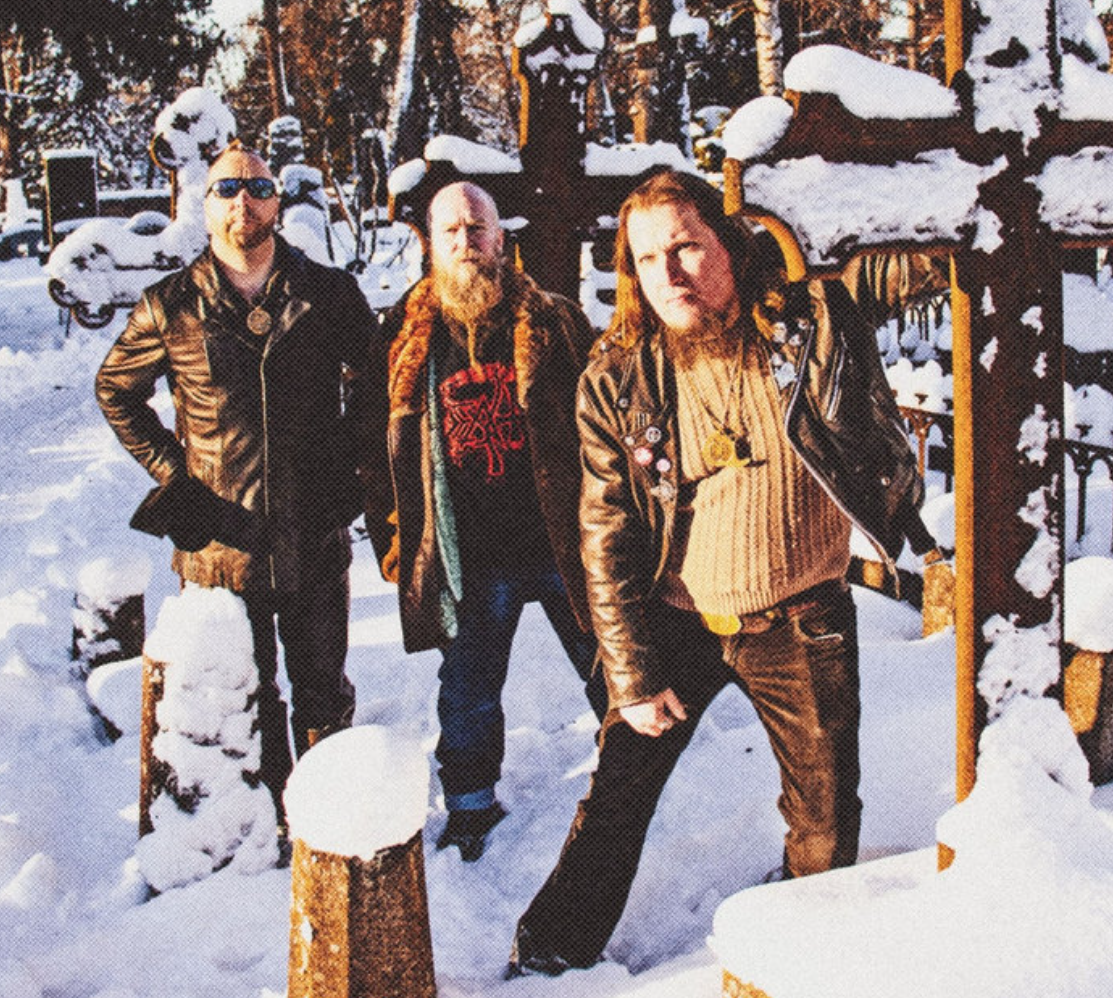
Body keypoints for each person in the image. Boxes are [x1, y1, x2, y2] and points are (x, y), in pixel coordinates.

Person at [508, 170, 939, 975]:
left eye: (685, 247)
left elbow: (904, 259)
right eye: (646, 259)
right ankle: (548, 954)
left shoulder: (809, 321)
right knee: (617, 798)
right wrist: (631, 676)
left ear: (731, 245)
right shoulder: (617, 377)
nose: (668, 273)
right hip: (677, 620)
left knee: (823, 814)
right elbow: (605, 533)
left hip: (802, 618)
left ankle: (801, 959)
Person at [95, 141, 374, 845]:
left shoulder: (328, 294)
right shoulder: (170, 305)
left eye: (258, 186)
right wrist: (176, 475)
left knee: (323, 691)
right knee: (244, 694)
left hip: (314, 533)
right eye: (226, 188)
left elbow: (377, 388)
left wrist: (350, 474)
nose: (243, 200)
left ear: (276, 201)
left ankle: (328, 829)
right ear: (205, 204)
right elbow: (116, 391)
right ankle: (264, 830)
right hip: (221, 542)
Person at [359, 181, 608, 862]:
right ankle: (470, 805)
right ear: (431, 245)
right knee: (468, 688)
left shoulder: (554, 321)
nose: (466, 242)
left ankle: (635, 777)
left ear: (501, 238)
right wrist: (394, 541)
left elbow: (603, 423)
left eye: (478, 228)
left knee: (609, 665)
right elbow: (372, 452)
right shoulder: (403, 339)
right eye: (452, 231)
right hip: (467, 549)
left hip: (559, 539)